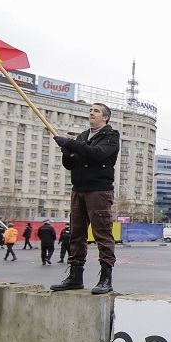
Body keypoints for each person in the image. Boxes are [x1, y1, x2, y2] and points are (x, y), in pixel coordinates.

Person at [49, 103, 119, 294]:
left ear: (105, 117)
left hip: (99, 190)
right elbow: (71, 164)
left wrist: (70, 143)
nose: (91, 113)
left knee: (102, 233)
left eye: (96, 111)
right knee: (76, 234)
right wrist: (67, 153)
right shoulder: (82, 136)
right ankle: (75, 276)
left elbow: (97, 154)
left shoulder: (111, 136)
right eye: (90, 110)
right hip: (79, 189)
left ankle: (106, 278)